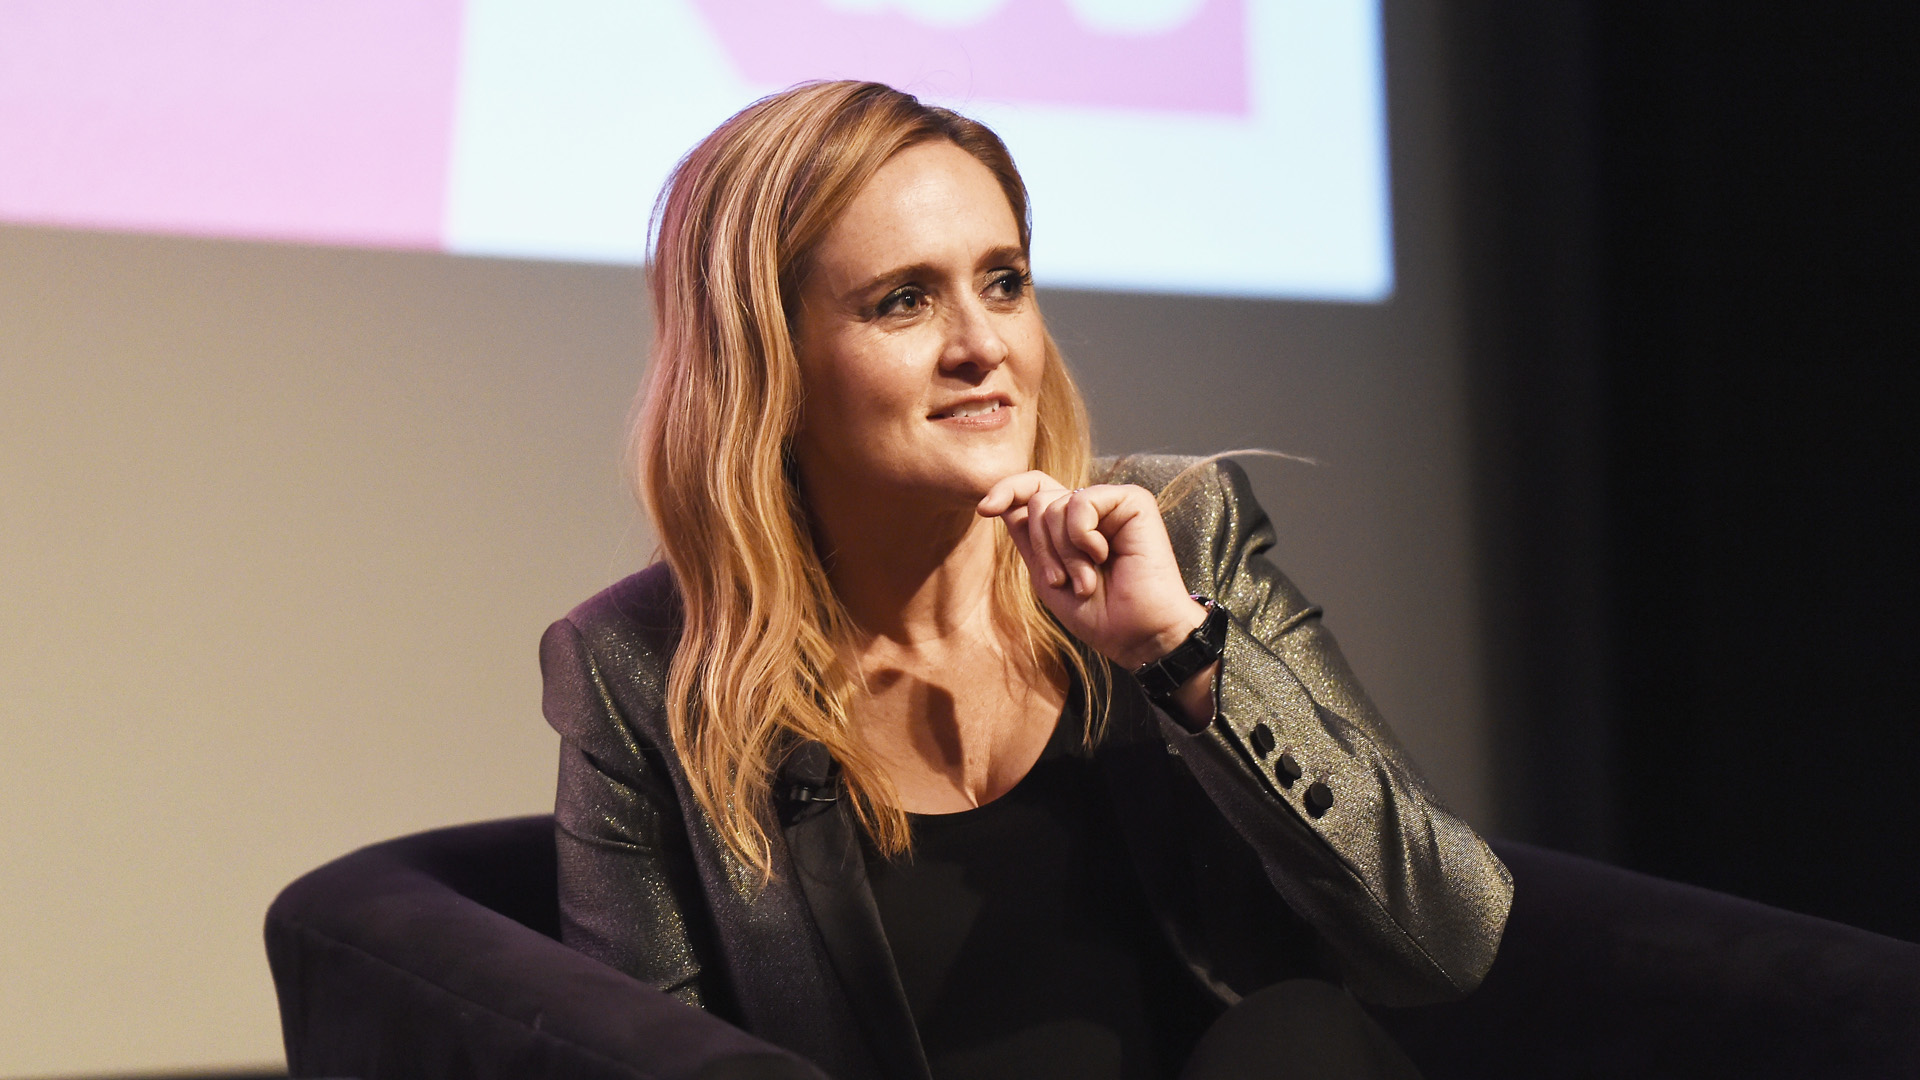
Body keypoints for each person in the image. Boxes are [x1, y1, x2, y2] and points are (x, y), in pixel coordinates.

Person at [542, 80, 1511, 1080]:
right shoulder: (638, 672)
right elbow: (640, 1056)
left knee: (1293, 1043)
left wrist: (1178, 656)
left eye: (1004, 282)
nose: (984, 346)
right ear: (770, 364)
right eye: (905, 301)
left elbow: (1447, 939)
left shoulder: (1181, 539)